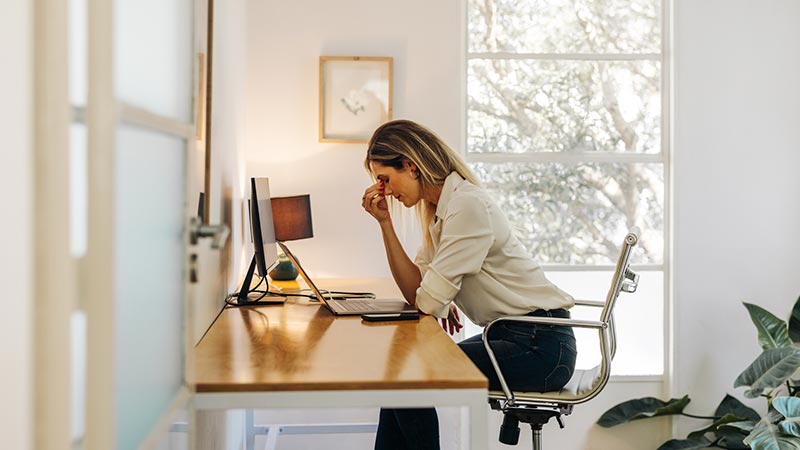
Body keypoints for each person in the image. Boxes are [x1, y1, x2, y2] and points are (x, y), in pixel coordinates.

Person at [361, 119, 577, 450]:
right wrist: (384, 224)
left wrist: (437, 297)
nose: (386, 191)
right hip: (513, 335)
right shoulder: (441, 211)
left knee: (407, 377)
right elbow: (418, 289)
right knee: (400, 378)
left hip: (540, 346)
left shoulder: (466, 205)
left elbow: (427, 303)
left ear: (410, 165)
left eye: (386, 179)